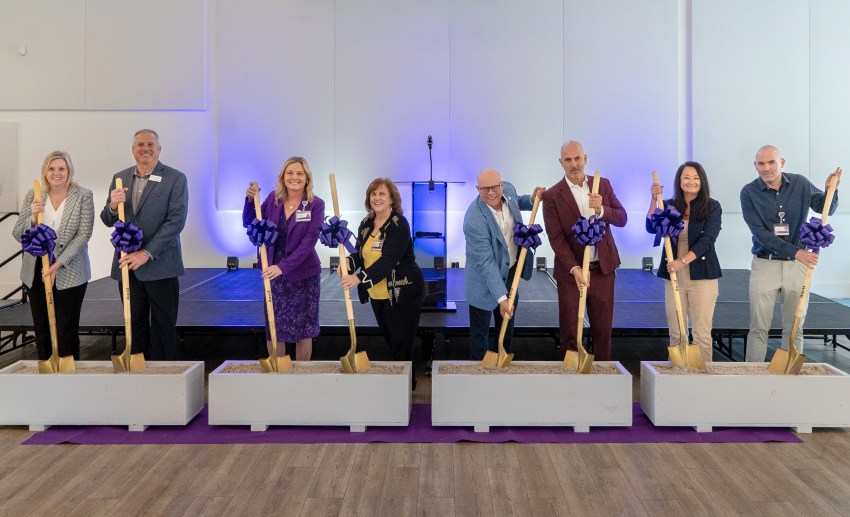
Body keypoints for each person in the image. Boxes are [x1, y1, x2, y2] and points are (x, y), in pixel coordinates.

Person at [740, 145, 841, 362]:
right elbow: (760, 234)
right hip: (765, 264)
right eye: (761, 163)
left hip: (797, 267)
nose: (766, 168)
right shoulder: (748, 192)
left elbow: (827, 208)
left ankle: (789, 374)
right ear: (755, 166)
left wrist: (830, 190)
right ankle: (751, 376)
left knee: (795, 325)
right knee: (758, 327)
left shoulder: (801, 184)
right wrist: (797, 253)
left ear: (782, 163)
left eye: (771, 162)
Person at [100, 129, 188, 360]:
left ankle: (165, 377)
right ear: (132, 149)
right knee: (134, 324)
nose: (145, 148)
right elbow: (108, 219)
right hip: (127, 267)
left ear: (159, 149)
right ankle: (138, 379)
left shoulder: (175, 179)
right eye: (140, 144)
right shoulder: (119, 178)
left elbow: (176, 221)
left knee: (163, 326)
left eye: (150, 144)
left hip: (161, 265)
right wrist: (111, 205)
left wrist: (146, 253)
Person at [541, 140, 627, 361]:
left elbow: (622, 218)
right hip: (571, 274)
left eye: (577, 158)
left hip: (602, 271)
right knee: (570, 330)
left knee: (603, 331)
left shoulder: (603, 186)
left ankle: (605, 379)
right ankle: (572, 380)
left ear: (585, 159)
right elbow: (556, 239)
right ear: (561, 163)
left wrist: (601, 210)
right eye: (568, 160)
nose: (574, 164)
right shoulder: (551, 196)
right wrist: (575, 268)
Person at [13, 151, 94, 360]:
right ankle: (46, 377)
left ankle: (68, 378)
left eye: (61, 168)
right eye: (51, 169)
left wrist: (58, 264)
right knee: (42, 328)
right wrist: (32, 217)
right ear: (45, 172)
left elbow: (84, 235)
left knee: (66, 328)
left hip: (70, 269)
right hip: (35, 270)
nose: (56, 173)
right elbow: (17, 233)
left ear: (69, 171)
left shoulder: (83, 195)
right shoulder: (34, 195)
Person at [243, 157, 324, 361]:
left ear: (307, 178)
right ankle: (278, 375)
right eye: (290, 173)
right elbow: (250, 222)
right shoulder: (273, 199)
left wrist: (283, 267)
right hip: (273, 273)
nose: (294, 177)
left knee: (303, 330)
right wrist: (249, 201)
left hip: (303, 275)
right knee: (274, 326)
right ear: (282, 177)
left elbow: (308, 243)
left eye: (299, 173)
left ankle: (301, 378)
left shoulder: (315, 205)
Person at [339, 178, 424, 364]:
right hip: (377, 292)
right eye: (373, 194)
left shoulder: (399, 224)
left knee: (401, 347)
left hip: (402, 290)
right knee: (391, 342)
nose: (377, 198)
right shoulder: (366, 223)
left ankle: (407, 388)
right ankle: (399, 384)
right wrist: (348, 262)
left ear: (392, 199)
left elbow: (388, 260)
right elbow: (359, 254)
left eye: (382, 194)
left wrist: (359, 277)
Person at [463, 168, 544, 361]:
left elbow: (517, 201)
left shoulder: (508, 190)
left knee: (506, 323)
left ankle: (503, 363)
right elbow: (486, 262)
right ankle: (480, 373)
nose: (490, 193)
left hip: (510, 273)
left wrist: (532, 200)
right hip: (482, 280)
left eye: (494, 187)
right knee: (480, 333)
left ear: (501, 185)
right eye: (484, 189)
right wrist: (502, 298)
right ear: (477, 189)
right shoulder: (474, 221)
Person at [646, 162, 722, 363]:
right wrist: (654, 200)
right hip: (673, 276)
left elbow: (708, 240)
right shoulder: (668, 205)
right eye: (686, 177)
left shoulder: (712, 206)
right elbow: (651, 227)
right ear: (679, 181)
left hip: (702, 276)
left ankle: (702, 379)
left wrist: (682, 261)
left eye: (696, 178)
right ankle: (677, 375)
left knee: (701, 334)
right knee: (677, 332)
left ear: (702, 181)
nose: (691, 182)